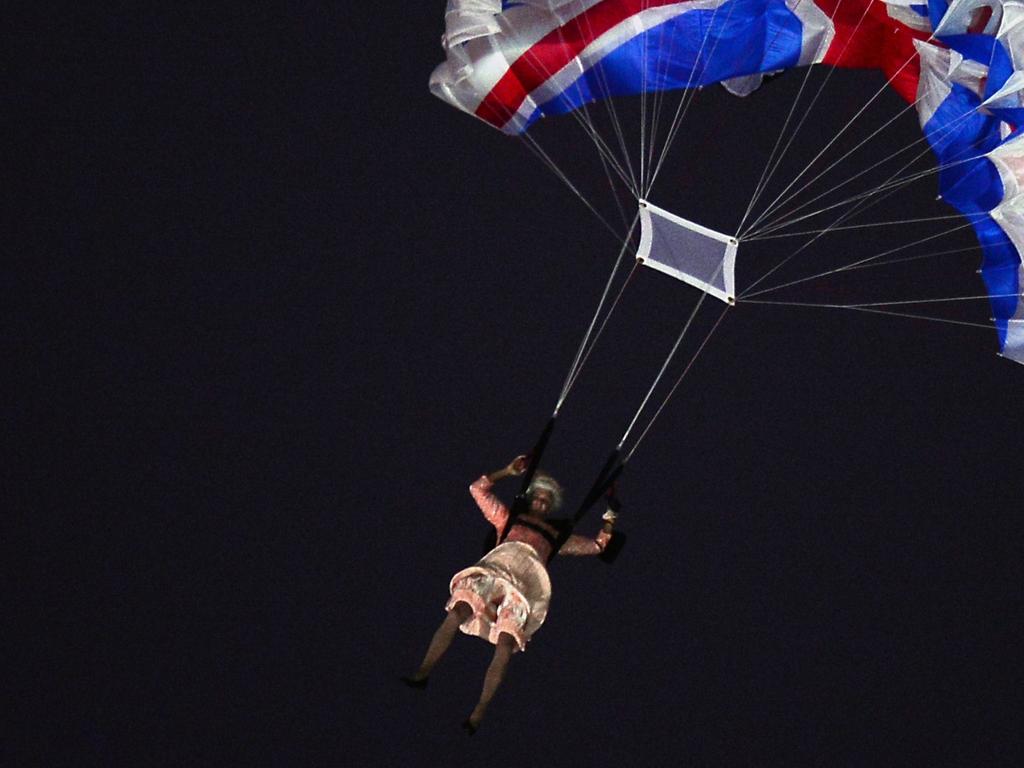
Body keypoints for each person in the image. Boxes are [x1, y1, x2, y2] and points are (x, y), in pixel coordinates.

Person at [403, 455, 617, 734]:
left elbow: (598, 545)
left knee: (505, 644)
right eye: (537, 497)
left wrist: (611, 516)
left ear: (550, 505)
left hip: (526, 586)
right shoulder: (508, 519)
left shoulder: (555, 536)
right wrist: (507, 471)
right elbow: (477, 490)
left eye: (546, 500)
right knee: (459, 611)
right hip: (495, 571)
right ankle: (424, 671)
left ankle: (479, 711)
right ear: (530, 500)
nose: (541, 502)